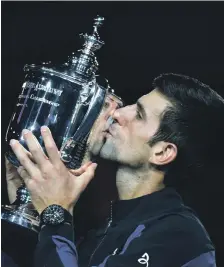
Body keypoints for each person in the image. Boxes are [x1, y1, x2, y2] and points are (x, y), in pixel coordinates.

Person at [8, 73, 222, 267]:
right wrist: (29, 206)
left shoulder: (179, 237)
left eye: (138, 115)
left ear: (162, 152)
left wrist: (55, 212)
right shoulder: (105, 228)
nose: (118, 113)